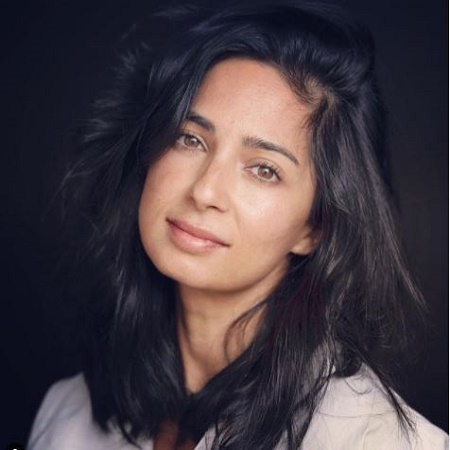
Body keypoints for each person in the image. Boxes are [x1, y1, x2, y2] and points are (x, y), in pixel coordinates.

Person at [27, 2, 447, 449]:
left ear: (315, 227)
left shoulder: (377, 440)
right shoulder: (67, 413)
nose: (204, 190)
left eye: (263, 169)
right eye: (190, 139)